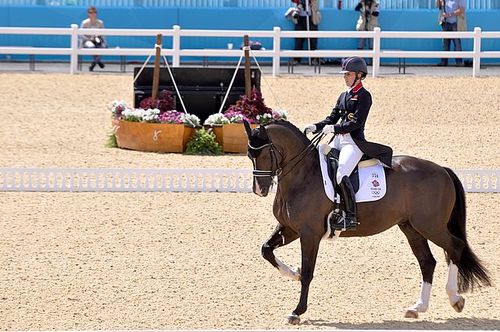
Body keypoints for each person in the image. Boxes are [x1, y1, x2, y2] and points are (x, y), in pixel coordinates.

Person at [303, 57, 392, 231]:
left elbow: (357, 123)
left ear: (359, 75)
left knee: (341, 173)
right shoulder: (343, 96)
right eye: (345, 74)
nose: (345, 77)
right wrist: (316, 126)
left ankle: (350, 216)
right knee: (318, 160)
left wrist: (334, 128)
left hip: (353, 142)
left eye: (348, 74)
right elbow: (331, 118)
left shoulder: (364, 96)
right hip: (337, 140)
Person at [290, 0, 321, 65]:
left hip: (311, 18)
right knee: (299, 40)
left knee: (313, 40)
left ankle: (314, 59)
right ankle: (296, 59)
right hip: (300, 19)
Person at [436, 0, 466, 66]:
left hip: (455, 23)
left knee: (457, 43)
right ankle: (444, 61)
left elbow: (461, 10)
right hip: (445, 23)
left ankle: (459, 62)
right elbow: (438, 6)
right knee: (445, 43)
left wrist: (449, 15)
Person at [80, 6, 107, 71]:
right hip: (87, 41)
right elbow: (81, 34)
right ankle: (98, 61)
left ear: (96, 13)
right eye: (90, 12)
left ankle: (94, 63)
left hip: (98, 40)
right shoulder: (84, 23)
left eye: (94, 12)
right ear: (88, 14)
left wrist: (101, 39)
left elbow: (103, 34)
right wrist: (89, 39)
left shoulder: (100, 23)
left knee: (103, 47)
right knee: (92, 46)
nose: (92, 14)